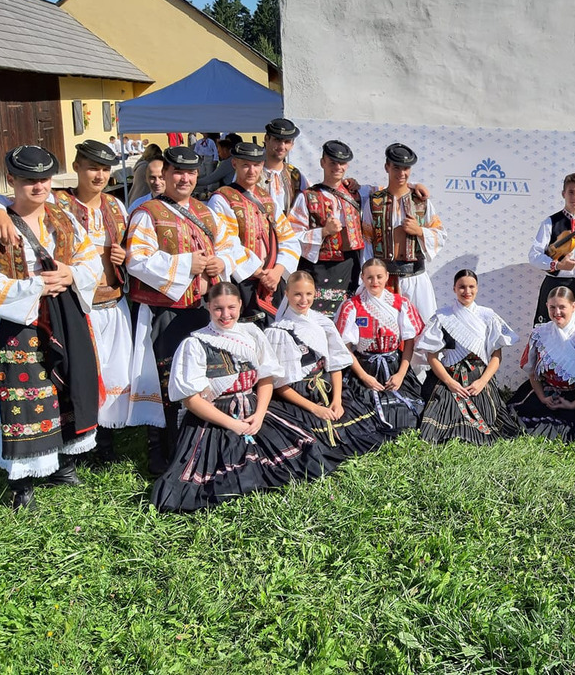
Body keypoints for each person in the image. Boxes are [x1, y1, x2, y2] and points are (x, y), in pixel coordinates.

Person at [0, 140, 165, 464]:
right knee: (66, 377)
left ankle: (99, 442)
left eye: (104, 169)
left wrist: (120, 258)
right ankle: (56, 456)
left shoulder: (116, 207)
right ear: (76, 168)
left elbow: (117, 252)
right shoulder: (60, 204)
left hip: (108, 301)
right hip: (62, 308)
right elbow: (10, 199)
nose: (99, 175)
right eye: (92, 167)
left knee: (104, 374)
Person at [0, 146, 103, 510]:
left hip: (66, 312)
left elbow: (89, 256)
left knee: (69, 383)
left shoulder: (65, 217)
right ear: (12, 180)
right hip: (21, 320)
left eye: (44, 179)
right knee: (24, 398)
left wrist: (71, 273)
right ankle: (22, 482)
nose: (38, 186)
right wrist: (35, 287)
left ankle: (64, 462)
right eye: (28, 180)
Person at [125, 146, 258, 474]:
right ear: (166, 175)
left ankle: (201, 447)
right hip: (165, 313)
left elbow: (233, 245)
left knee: (202, 379)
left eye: (191, 173)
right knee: (164, 382)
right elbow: (136, 260)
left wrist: (221, 261)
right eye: (178, 172)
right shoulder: (148, 213)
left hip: (201, 310)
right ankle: (162, 452)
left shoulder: (205, 210)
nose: (185, 178)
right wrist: (186, 264)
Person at [150, 282, 329, 511]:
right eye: (218, 309)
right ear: (207, 307)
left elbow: (266, 378)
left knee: (307, 452)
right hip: (214, 418)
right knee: (229, 477)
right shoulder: (194, 344)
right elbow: (191, 400)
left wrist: (260, 415)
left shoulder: (252, 333)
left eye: (231, 307)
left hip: (254, 409)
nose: (226, 315)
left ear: (241, 305)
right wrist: (233, 424)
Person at [265, 271, 395, 465]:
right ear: (287, 294)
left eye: (308, 294)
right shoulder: (277, 332)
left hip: (326, 387)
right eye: (297, 294)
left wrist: (337, 400)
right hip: (299, 395)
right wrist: (315, 409)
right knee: (313, 445)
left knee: (360, 432)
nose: (303, 300)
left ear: (315, 294)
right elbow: (279, 384)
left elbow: (336, 364)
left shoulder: (323, 322)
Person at [416, 269, 522, 445]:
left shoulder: (488, 316)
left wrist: (483, 382)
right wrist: (450, 383)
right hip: (449, 375)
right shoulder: (442, 316)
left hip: (478, 376)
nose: (467, 291)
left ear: (477, 288)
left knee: (490, 416)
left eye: (471, 287)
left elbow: (496, 355)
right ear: (454, 289)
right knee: (440, 415)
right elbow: (432, 356)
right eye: (462, 287)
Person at [207, 140, 300, 326]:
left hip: (273, 278)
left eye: (256, 165)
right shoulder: (222, 198)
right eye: (245, 165)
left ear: (262, 165)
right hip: (243, 279)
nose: (251, 171)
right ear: (234, 164)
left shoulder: (266, 199)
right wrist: (259, 272)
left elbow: (288, 237)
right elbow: (227, 242)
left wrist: (278, 270)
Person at [508, 285, 575, 444]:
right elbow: (532, 372)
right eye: (552, 307)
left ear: (573, 306)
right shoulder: (540, 333)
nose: (557, 312)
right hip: (547, 393)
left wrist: (573, 404)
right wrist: (542, 397)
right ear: (546, 306)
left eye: (562, 307)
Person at [335, 259, 427, 433]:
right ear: (362, 277)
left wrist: (400, 374)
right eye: (369, 277)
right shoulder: (351, 306)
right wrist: (364, 377)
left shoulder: (401, 303)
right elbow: (344, 347)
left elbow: (409, 342)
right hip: (364, 366)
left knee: (409, 411)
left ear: (387, 277)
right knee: (360, 413)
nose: (374, 282)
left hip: (395, 365)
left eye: (379, 277)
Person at [360, 143, 447, 321]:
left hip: (415, 277)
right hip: (383, 279)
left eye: (406, 168)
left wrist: (420, 231)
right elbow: (367, 240)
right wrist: (368, 277)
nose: (401, 173)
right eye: (396, 168)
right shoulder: (374, 201)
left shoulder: (421, 202)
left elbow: (440, 234)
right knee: (382, 327)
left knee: (423, 330)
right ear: (387, 167)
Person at [289, 140, 366, 316]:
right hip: (320, 267)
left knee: (345, 315)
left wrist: (414, 186)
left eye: (342, 163)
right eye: (332, 162)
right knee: (318, 314)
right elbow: (292, 235)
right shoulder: (308, 196)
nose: (337, 167)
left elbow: (389, 192)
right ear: (322, 162)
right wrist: (323, 232)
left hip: (350, 266)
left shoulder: (357, 193)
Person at [527, 173, 575, 330]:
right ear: (563, 193)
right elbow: (534, 256)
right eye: (571, 192)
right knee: (549, 332)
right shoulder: (550, 222)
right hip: (554, 285)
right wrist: (557, 265)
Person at [260, 118, 309, 215]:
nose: (282, 147)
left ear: (292, 145)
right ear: (266, 139)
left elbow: (312, 198)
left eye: (287, 142)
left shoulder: (295, 175)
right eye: (277, 140)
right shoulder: (252, 171)